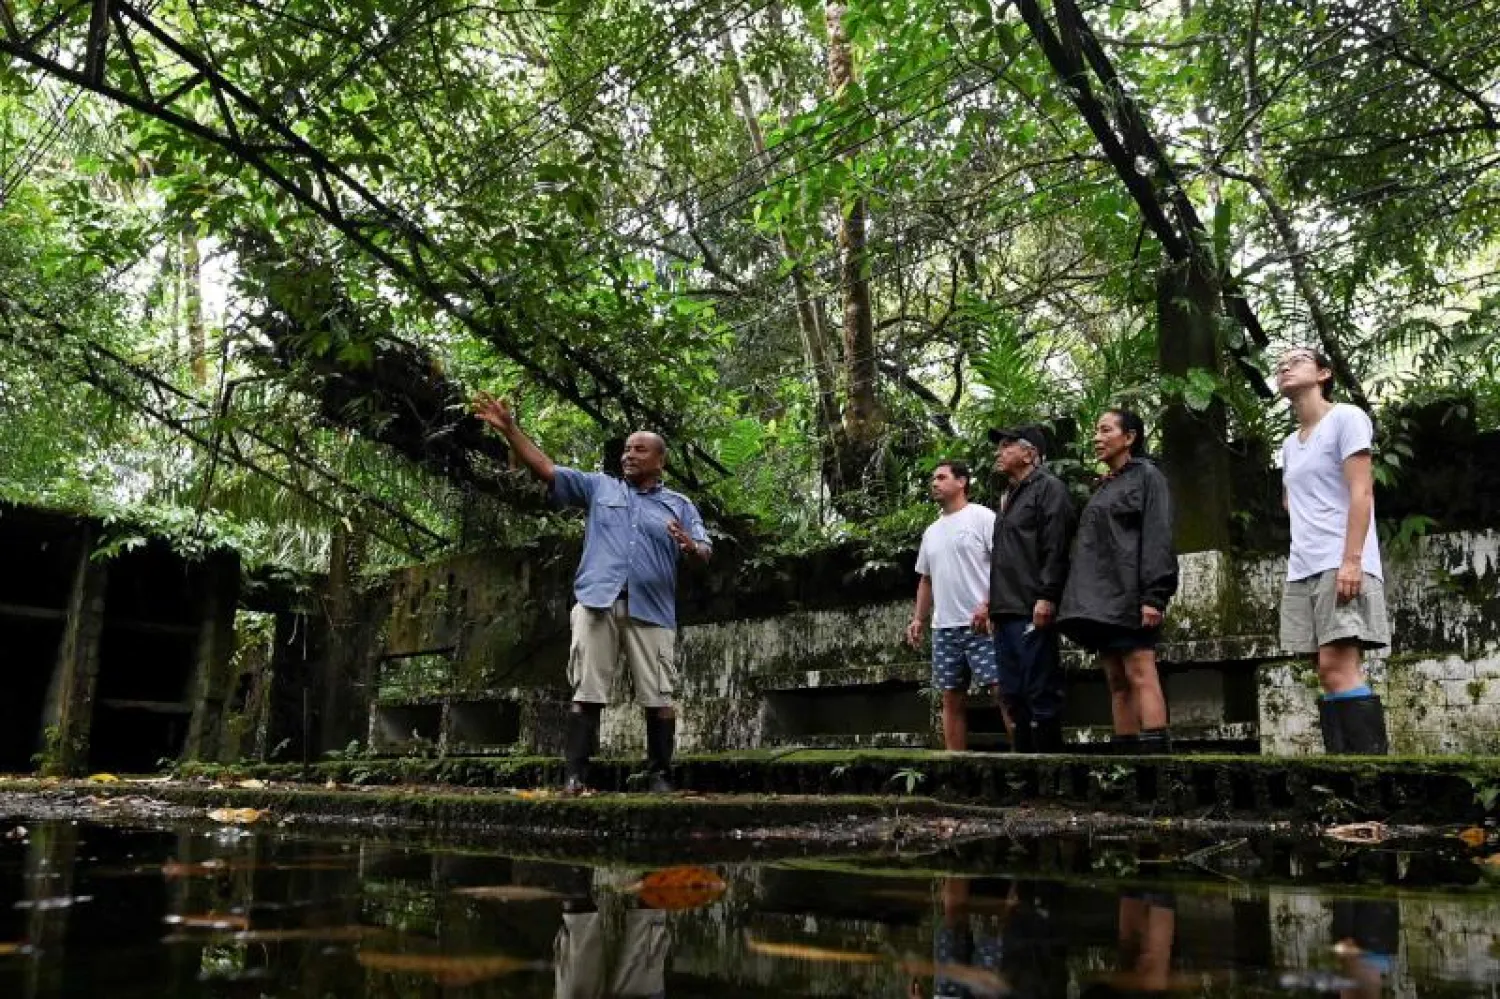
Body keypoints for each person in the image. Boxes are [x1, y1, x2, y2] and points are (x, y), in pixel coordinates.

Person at [472, 393, 711, 793]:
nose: (629, 455)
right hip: (597, 602)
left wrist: (690, 546)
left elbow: (705, 551)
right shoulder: (600, 488)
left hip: (651, 610)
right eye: (626, 450)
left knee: (658, 697)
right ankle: (575, 777)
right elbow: (546, 469)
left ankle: (659, 777)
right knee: (586, 692)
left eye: (639, 449)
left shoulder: (679, 504)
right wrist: (511, 430)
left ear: (659, 460)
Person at [1275, 347, 1391, 754]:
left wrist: (1352, 560)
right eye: (1280, 363)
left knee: (1337, 667)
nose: (1285, 366)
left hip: (1339, 560)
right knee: (1322, 671)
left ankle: (1367, 782)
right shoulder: (1290, 444)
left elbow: (1362, 491)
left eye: (1297, 359)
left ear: (1323, 373)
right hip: (1302, 566)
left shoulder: (1346, 418)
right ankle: (1343, 785)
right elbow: (1292, 502)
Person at [1058, 410, 1178, 754]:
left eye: (1105, 430)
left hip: (1132, 594)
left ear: (1129, 437)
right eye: (1095, 430)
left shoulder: (1148, 477)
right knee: (1115, 680)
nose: (1097, 437)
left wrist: (1154, 595)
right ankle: (1125, 762)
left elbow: (1158, 535)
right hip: (1100, 601)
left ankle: (1157, 764)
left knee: (1140, 671)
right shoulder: (1104, 484)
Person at [982, 426, 1075, 753]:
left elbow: (1055, 547)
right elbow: (1003, 558)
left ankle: (1049, 766)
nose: (999, 452)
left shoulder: (1049, 489)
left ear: (1029, 453)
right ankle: (1024, 769)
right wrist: (992, 605)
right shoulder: (1009, 496)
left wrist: (1047, 595)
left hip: (1031, 605)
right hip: (1006, 608)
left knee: (1039, 687)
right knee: (1012, 690)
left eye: (1007, 446)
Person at [905, 461, 997, 752]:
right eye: (933, 478)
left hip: (982, 623)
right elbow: (926, 580)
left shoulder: (982, 517)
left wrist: (990, 605)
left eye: (941, 477)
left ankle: (1021, 764)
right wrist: (918, 619)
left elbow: (1003, 565)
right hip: (944, 628)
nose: (934, 483)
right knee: (950, 698)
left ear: (962, 482)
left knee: (1002, 691)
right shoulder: (931, 532)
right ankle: (955, 765)